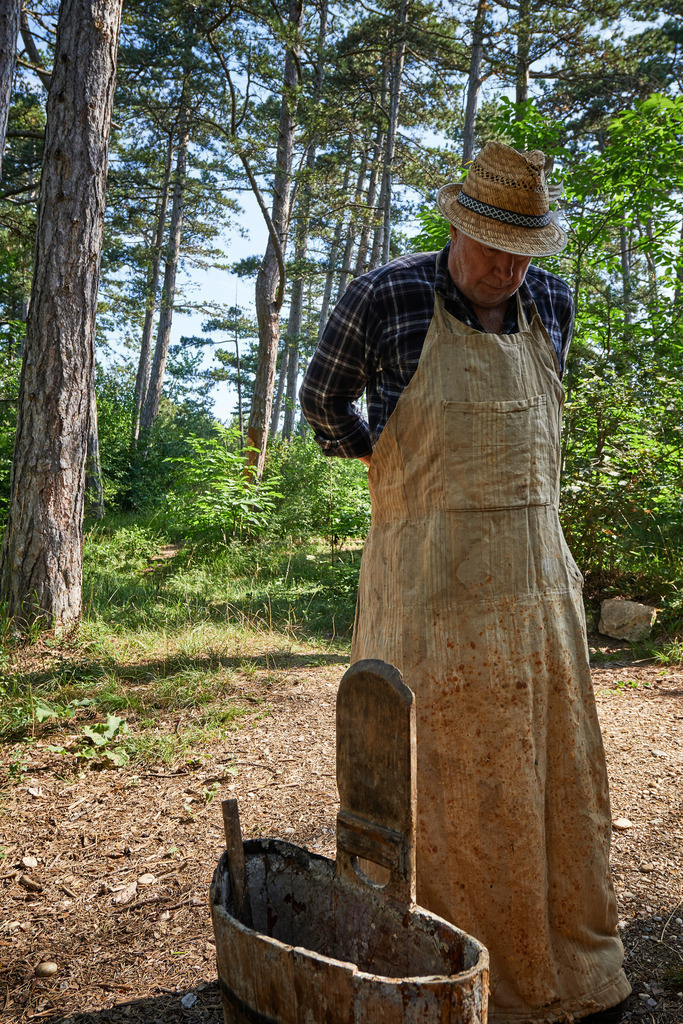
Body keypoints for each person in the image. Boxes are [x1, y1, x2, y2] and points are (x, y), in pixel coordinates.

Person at [299, 141, 631, 1024]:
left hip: (537, 592)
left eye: (522, 251)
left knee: (551, 775)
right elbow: (322, 400)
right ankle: (434, 970)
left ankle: (569, 968)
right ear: (455, 226)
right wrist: (389, 463)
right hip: (427, 588)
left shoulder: (550, 301)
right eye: (490, 246)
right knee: (433, 779)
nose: (505, 268)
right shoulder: (386, 294)